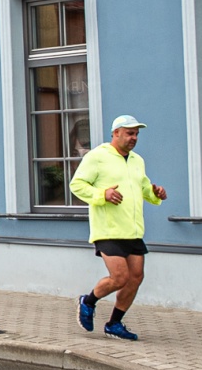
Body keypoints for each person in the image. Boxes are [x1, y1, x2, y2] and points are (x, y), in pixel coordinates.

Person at [69, 115, 168, 341]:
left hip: (132, 230)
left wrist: (156, 193)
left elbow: (143, 188)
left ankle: (114, 324)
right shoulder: (97, 156)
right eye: (129, 133)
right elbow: (77, 185)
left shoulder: (137, 160)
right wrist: (102, 194)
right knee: (120, 277)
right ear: (115, 133)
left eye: (136, 134)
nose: (134, 138)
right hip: (108, 229)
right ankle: (88, 301)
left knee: (136, 277)